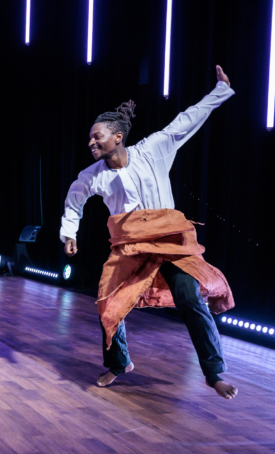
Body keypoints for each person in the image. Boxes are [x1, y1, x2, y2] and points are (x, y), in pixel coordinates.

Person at [60, 66, 237, 399]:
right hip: (130, 248)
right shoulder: (93, 175)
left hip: (169, 242)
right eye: (90, 138)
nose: (91, 142)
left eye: (97, 136)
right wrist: (70, 233)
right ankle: (119, 363)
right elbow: (74, 198)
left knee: (189, 297)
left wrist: (220, 91)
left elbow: (187, 121)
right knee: (108, 302)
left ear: (118, 137)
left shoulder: (152, 149)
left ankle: (213, 373)